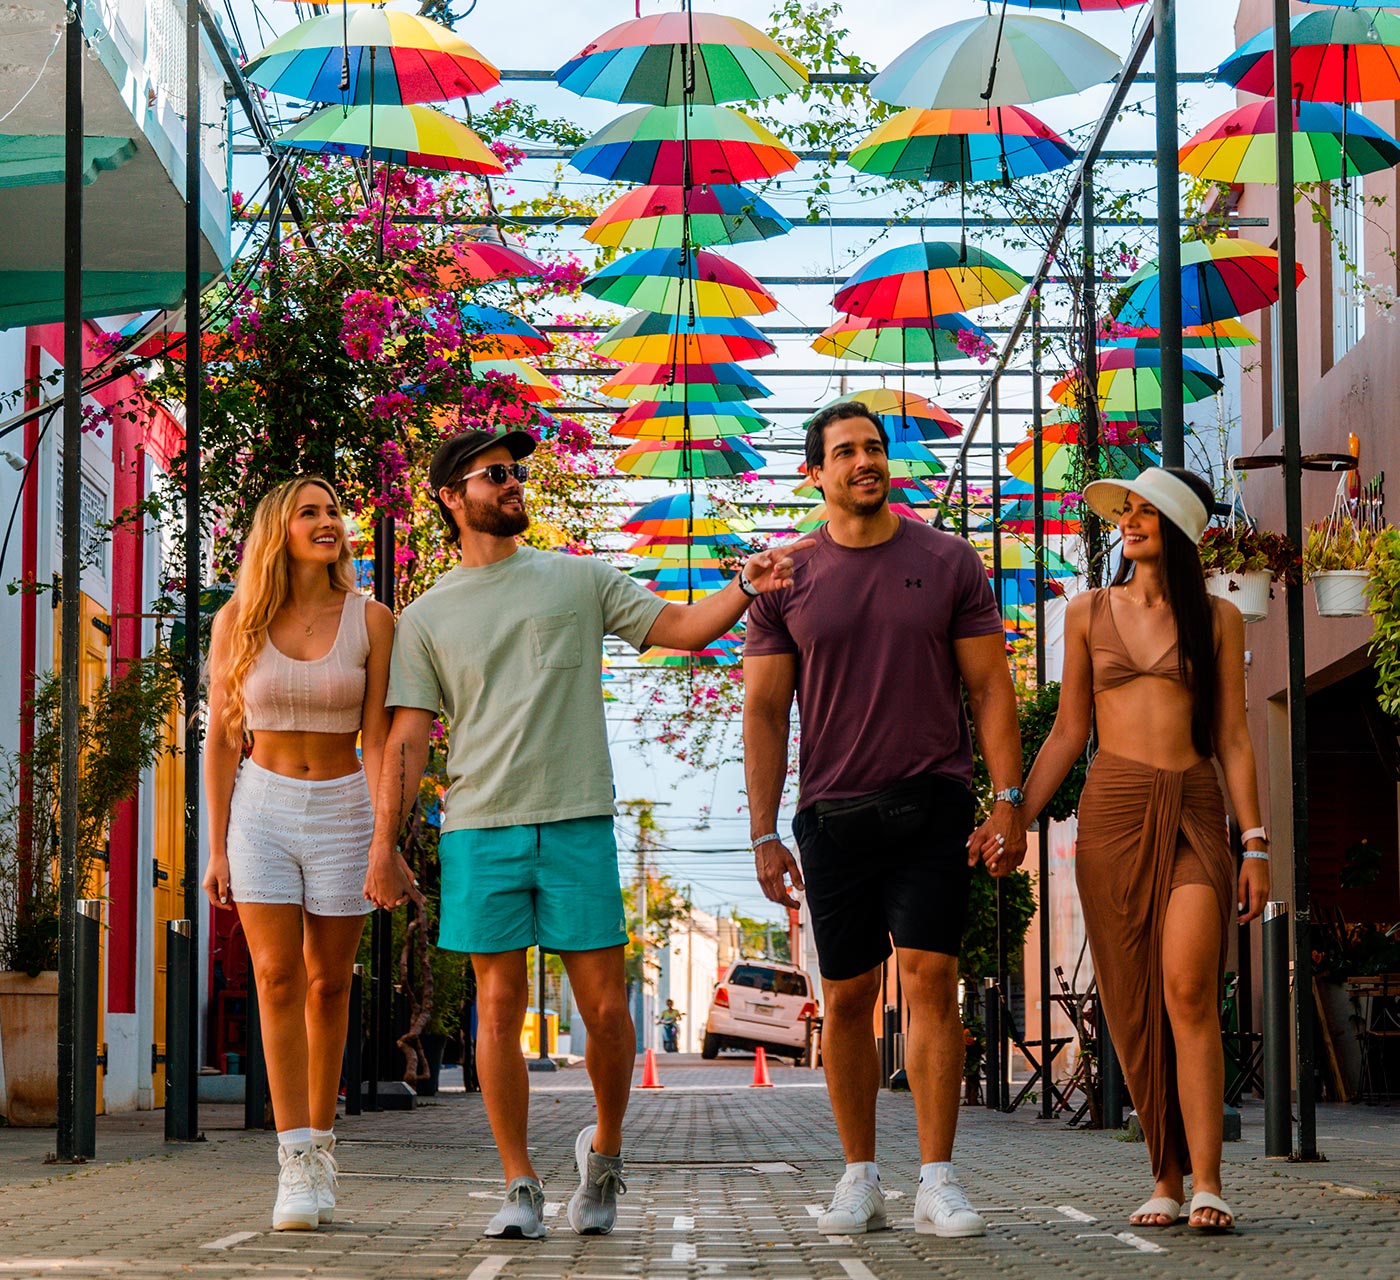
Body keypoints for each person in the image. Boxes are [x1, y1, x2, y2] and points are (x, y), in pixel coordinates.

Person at [366, 427, 809, 1241]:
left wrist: (747, 585)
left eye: (516, 472)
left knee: (607, 1011)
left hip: (575, 821)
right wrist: (383, 842)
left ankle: (602, 1155)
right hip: (478, 828)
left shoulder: (577, 578)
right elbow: (406, 738)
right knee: (496, 1009)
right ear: (450, 497)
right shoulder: (424, 616)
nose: (511, 483)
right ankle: (520, 1184)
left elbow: (681, 628)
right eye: (493, 474)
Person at [743, 401, 1025, 1239]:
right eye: (846, 452)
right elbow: (764, 711)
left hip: (932, 798)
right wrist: (765, 832)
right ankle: (859, 1176)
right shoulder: (784, 575)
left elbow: (990, 690)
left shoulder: (947, 562)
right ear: (815, 472)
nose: (866, 461)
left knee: (933, 979)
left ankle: (937, 1179)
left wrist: (1007, 800)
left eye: (874, 448)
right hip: (830, 814)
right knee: (849, 992)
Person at [971, 466, 1270, 1232]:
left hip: (1197, 812)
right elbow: (1071, 730)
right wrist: (1013, 816)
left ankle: (1209, 1180)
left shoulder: (1219, 617)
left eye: (1145, 512)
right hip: (1112, 813)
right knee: (1132, 1004)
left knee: (1189, 990)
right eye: (1125, 511)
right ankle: (1162, 1179)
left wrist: (1257, 842)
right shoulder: (1085, 612)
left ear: (1177, 528)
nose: (1128, 522)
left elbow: (1233, 738)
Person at [202, 476, 394, 1230]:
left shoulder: (372, 620)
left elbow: (378, 738)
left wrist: (385, 836)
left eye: (334, 511)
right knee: (276, 978)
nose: (328, 522)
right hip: (262, 808)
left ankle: (322, 1149)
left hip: (345, 804)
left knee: (329, 986)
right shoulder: (236, 620)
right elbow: (221, 740)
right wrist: (214, 846)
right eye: (309, 512)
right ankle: (292, 1162)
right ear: (278, 531)